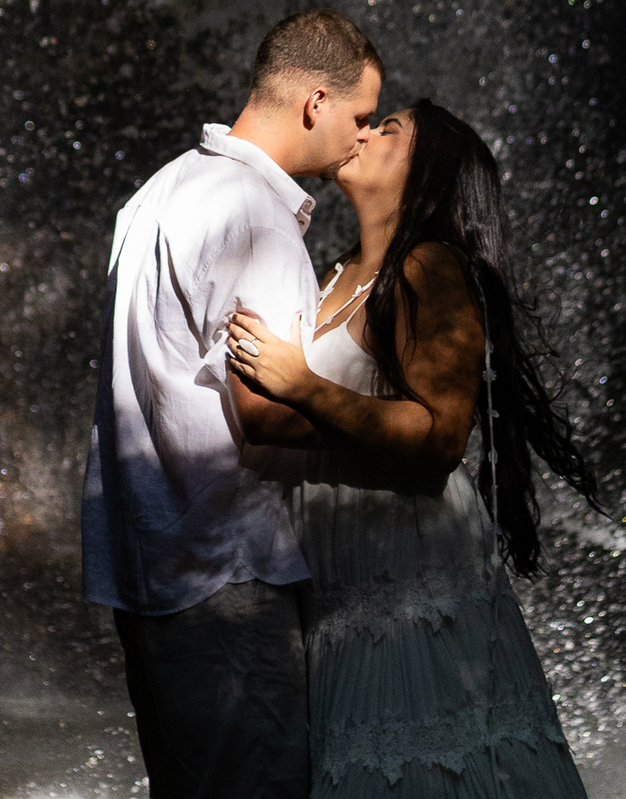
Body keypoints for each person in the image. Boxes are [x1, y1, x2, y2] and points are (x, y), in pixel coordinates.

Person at [227, 99, 598, 799]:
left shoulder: (430, 268)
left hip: (409, 568)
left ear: (426, 173)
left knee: (435, 766)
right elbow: (315, 427)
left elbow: (441, 435)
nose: (362, 131)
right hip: (340, 580)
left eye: (387, 129)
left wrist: (302, 386)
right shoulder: (332, 274)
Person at [81, 8, 384, 799]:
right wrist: (404, 444)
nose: (361, 138)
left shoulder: (160, 190)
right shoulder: (258, 217)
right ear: (315, 102)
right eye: (357, 117)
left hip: (148, 563)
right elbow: (266, 413)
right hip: (228, 569)